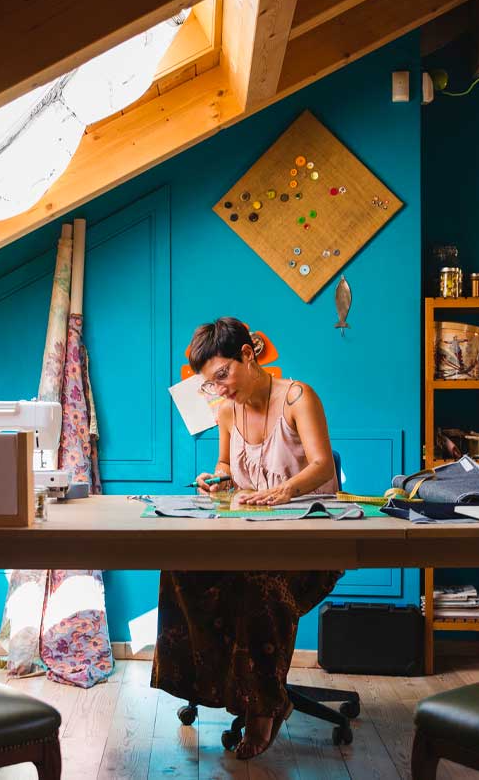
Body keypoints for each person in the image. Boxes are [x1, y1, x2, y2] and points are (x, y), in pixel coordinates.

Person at [151, 317, 343, 759]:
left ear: (248, 355)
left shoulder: (298, 397)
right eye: (211, 383)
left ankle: (265, 708)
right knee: (180, 566)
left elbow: (322, 467)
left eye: (223, 375)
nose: (220, 388)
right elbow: (226, 469)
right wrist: (216, 481)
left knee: (260, 584)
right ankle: (224, 686)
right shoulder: (225, 411)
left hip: (311, 544)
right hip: (251, 541)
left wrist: (283, 491)